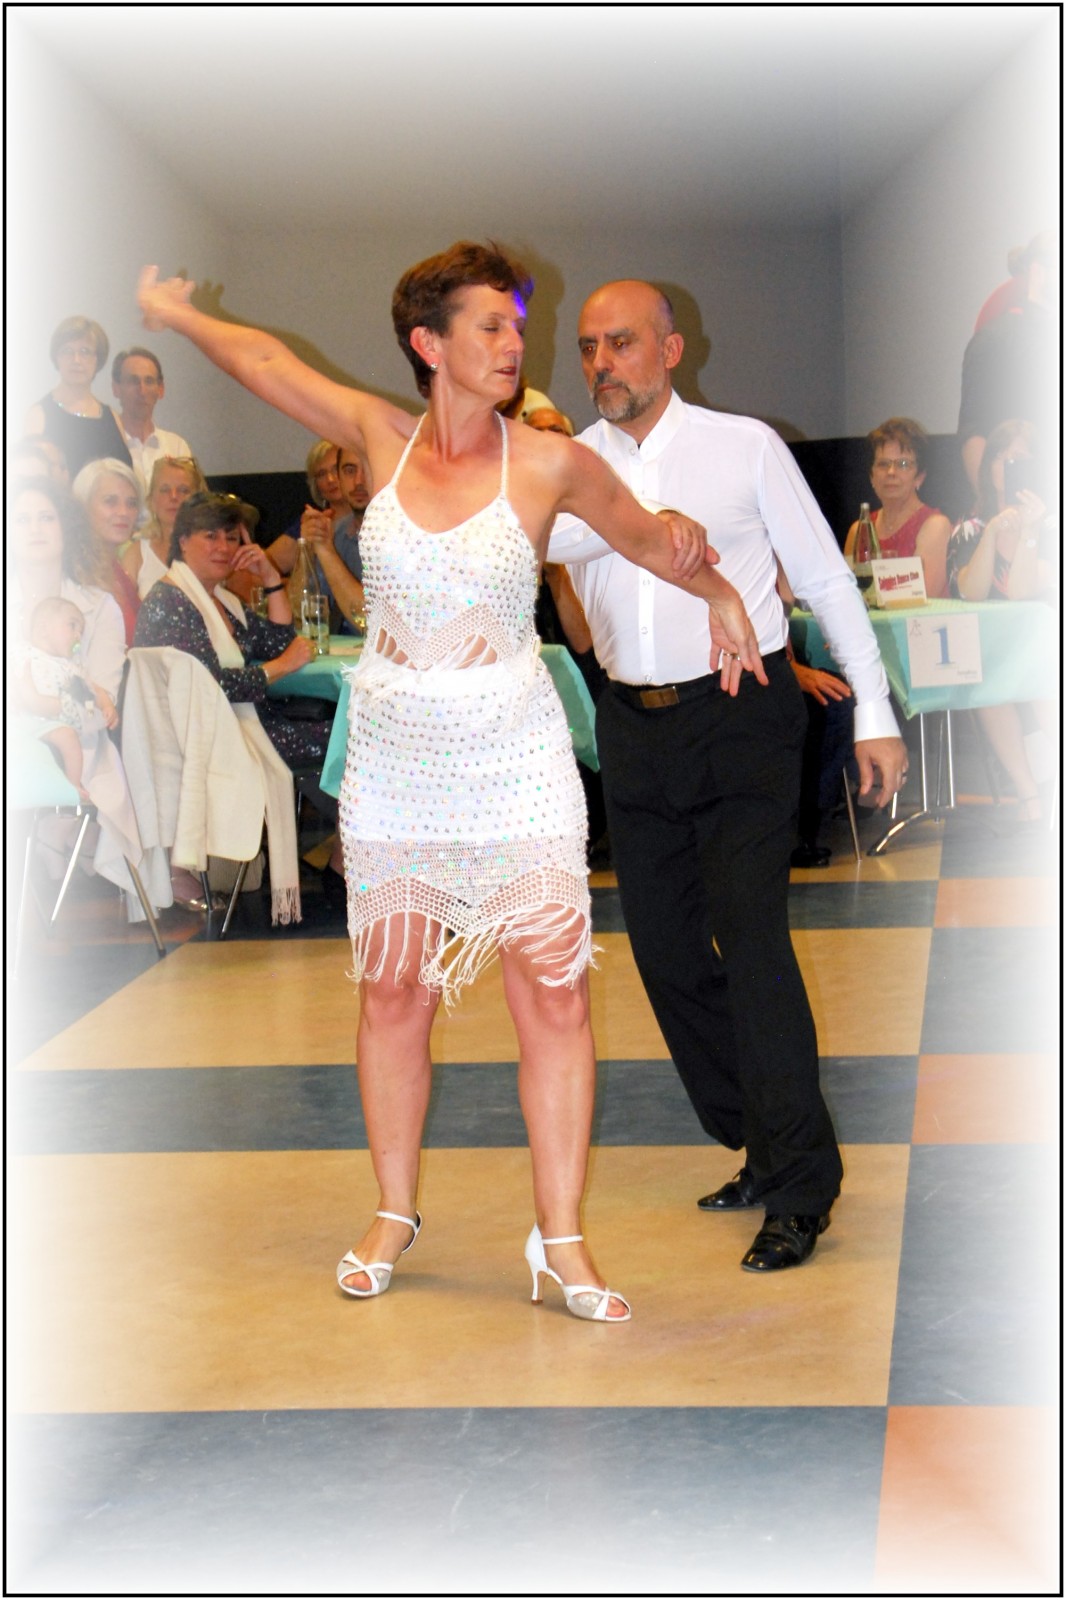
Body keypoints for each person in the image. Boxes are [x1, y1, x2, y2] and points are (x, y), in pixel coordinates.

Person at [136, 243, 762, 1320]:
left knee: (553, 994)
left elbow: (649, 539)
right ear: (429, 344)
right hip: (397, 763)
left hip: (516, 758)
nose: (515, 343)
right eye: (490, 326)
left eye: (516, 326)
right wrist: (175, 313)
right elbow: (264, 364)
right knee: (393, 992)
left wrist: (724, 596)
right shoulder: (379, 439)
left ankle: (561, 1240)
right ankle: (393, 1211)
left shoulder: (551, 463)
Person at [549, 279, 908, 1273]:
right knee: (666, 955)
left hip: (742, 713)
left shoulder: (742, 446)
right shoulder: (570, 466)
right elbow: (536, 548)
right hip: (633, 726)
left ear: (670, 349)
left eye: (621, 342)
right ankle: (757, 1133)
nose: (602, 363)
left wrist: (874, 713)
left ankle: (799, 1187)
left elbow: (824, 578)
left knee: (751, 945)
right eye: (588, 347)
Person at [946, 420, 1054, 824]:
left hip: (1048, 648)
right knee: (988, 682)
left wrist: (1029, 530)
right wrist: (992, 534)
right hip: (996, 655)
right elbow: (970, 592)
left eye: (1020, 458)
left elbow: (1022, 589)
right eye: (1001, 458)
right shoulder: (971, 527)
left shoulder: (1052, 522)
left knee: (1043, 676)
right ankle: (1029, 797)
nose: (1009, 466)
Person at [957, 230, 1059, 494]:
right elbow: (974, 430)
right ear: (1038, 270)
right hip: (1026, 497)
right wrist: (991, 504)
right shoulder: (996, 338)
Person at [9, 476, 126, 703]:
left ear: (67, 528)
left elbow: (103, 708)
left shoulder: (101, 608)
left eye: (47, 518)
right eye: (22, 520)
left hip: (79, 726)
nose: (35, 529)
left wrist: (41, 706)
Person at [15, 596, 112, 800]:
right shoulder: (25, 653)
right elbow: (20, 681)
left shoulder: (71, 667)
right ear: (43, 629)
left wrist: (106, 705)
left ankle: (73, 784)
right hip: (25, 718)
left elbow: (93, 689)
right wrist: (34, 700)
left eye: (81, 632)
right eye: (72, 625)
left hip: (53, 722)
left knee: (68, 737)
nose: (78, 635)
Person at [843, 418, 953, 599]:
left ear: (920, 477)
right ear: (871, 477)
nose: (891, 472)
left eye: (903, 464)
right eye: (883, 464)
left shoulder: (935, 525)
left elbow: (924, 596)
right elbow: (847, 595)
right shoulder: (859, 531)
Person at [24, 315, 132, 481]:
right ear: (56, 358)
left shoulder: (112, 417)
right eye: (67, 351)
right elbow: (30, 479)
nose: (76, 360)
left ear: (98, 360)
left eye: (85, 352)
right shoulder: (39, 415)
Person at [71, 457, 145, 644]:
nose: (123, 512)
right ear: (83, 506)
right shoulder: (77, 575)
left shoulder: (117, 571)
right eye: (110, 501)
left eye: (131, 503)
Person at [121, 454, 209, 598]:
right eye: (164, 489)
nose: (173, 496)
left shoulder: (214, 549)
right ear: (151, 500)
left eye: (183, 490)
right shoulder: (137, 555)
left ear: (199, 500)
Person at [110, 346, 193, 495]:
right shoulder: (105, 445)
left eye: (149, 381)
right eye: (133, 381)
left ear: (160, 389)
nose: (142, 391)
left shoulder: (177, 447)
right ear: (116, 388)